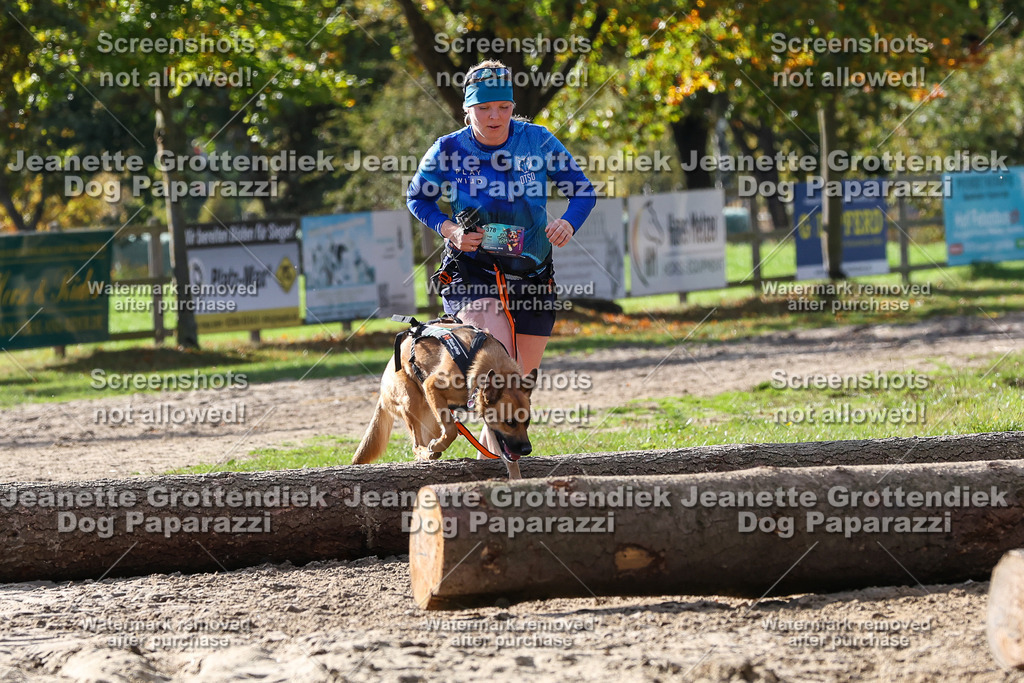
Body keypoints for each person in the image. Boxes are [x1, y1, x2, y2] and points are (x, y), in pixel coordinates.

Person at [406, 59, 596, 454]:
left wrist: (568, 223)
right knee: (496, 374)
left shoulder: (538, 141)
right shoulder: (448, 149)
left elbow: (583, 191)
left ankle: (494, 465)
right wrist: (451, 230)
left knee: (518, 384)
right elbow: (417, 197)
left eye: (504, 108)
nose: (495, 117)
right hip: (473, 272)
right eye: (484, 109)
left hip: (532, 274)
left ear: (513, 106)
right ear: (467, 109)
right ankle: (499, 476)